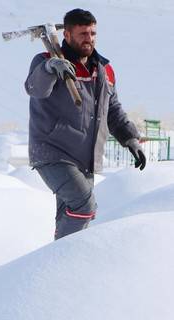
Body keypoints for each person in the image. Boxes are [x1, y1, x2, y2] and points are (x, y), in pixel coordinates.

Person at [25, 9, 145, 240]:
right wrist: (50, 69)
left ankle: (57, 263)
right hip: (52, 151)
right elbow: (35, 89)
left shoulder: (104, 69)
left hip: (86, 156)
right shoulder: (46, 61)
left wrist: (130, 138)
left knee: (77, 216)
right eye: (82, 33)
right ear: (67, 35)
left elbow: (112, 109)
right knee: (84, 206)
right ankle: (59, 259)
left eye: (92, 33)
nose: (88, 38)